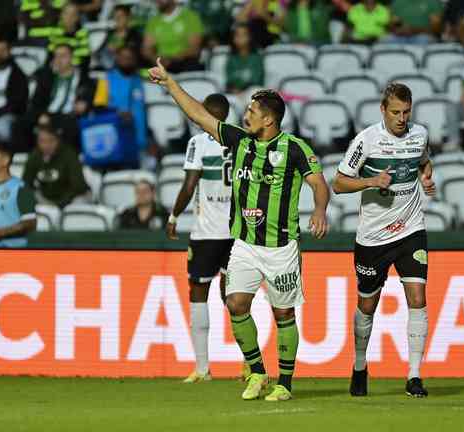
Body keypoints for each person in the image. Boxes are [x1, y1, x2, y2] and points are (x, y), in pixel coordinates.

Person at [149, 59, 330, 402]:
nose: (244, 114)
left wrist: (320, 210)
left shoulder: (295, 148)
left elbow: (320, 184)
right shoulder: (239, 140)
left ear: (269, 119)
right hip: (244, 244)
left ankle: (285, 384)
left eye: (251, 110)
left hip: (280, 247)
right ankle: (258, 372)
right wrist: (170, 83)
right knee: (235, 303)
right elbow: (199, 116)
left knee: (284, 313)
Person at [331, 82, 436, 398]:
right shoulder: (366, 141)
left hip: (411, 230)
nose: (402, 118)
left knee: (417, 297)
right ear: (382, 110)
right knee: (367, 304)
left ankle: (414, 376)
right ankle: (360, 365)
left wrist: (427, 178)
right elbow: (337, 183)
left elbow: (423, 162)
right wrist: (372, 182)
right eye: (395, 112)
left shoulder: (419, 135)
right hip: (373, 238)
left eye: (406, 112)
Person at [165, 94, 239, 383]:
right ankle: (249, 364)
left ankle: (202, 368)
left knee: (198, 292)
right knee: (235, 298)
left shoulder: (198, 142)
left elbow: (190, 184)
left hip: (207, 233)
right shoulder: (239, 140)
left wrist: (173, 217)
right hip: (235, 234)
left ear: (205, 114)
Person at [17, 43, 94, 152]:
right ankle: (28, 155)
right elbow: (36, 101)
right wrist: (42, 114)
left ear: (71, 58)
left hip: (69, 115)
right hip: (47, 113)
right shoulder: (47, 76)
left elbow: (88, 98)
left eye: (63, 56)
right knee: (20, 123)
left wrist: (85, 103)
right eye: (57, 56)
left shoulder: (83, 78)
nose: (59, 60)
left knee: (70, 125)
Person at [22, 125, 90, 208]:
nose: (46, 145)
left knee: (79, 202)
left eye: (51, 140)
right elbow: (26, 184)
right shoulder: (35, 156)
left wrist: (60, 203)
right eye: (42, 141)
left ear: (58, 140)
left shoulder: (69, 155)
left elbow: (79, 187)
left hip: (70, 199)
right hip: (46, 199)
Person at [142, 0, 204, 73]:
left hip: (185, 64)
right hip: (161, 65)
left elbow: (194, 49)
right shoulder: (153, 21)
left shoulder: (190, 17)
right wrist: (158, 60)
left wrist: (172, 60)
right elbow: (146, 49)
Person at [98, 4, 143, 69]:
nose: (117, 19)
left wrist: (117, 52)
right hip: (109, 70)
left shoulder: (135, 36)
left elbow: (136, 57)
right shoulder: (108, 34)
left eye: (121, 16)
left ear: (128, 17)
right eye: (115, 16)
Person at [225, 23, 265, 97]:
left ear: (250, 37)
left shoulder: (256, 58)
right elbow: (229, 80)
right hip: (235, 93)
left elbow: (256, 80)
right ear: (233, 38)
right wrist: (233, 89)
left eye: (244, 34)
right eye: (237, 35)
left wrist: (242, 91)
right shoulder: (231, 59)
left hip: (253, 93)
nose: (240, 37)